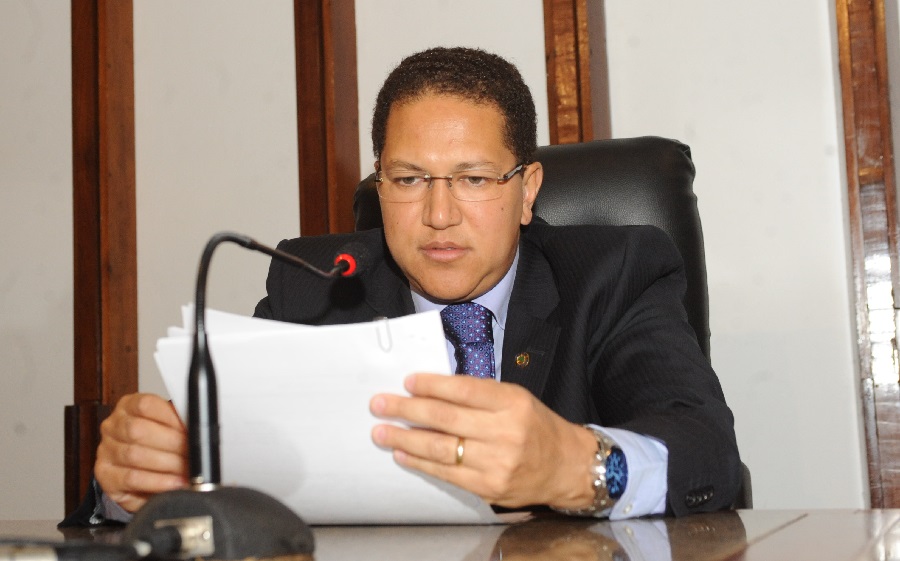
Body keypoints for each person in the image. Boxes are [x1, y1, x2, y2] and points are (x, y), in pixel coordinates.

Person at [74, 46, 740, 525]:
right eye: (409, 178)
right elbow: (219, 459)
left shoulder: (612, 273)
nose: (439, 214)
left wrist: (576, 465)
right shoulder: (315, 288)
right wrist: (134, 482)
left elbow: (707, 451)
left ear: (527, 190)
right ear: (379, 183)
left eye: (473, 179)